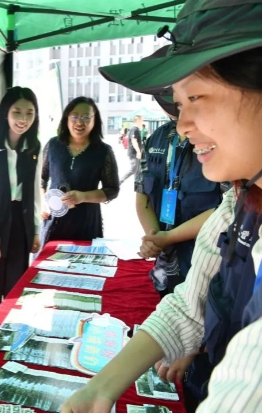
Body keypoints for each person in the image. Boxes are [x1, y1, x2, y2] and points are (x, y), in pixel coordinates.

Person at [63, 0, 262, 412]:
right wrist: (99, 390)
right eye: (178, 105)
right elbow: (191, 306)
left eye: (196, 97)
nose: (183, 126)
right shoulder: (242, 199)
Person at [136, 91, 224, 298]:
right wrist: (154, 238)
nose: (183, 124)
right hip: (164, 262)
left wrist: (169, 237)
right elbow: (142, 195)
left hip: (205, 261)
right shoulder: (156, 138)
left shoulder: (216, 137)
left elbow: (228, 208)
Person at [0, 86, 42, 312]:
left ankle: (9, 325)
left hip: (21, 221)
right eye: (17, 112)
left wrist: (36, 230)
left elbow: (34, 190)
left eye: (29, 113)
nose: (23, 119)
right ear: (5, 113)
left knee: (15, 287)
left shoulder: (33, 147)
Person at [39, 96, 120, 244]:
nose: (79, 122)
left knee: (83, 257)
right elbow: (41, 178)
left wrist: (83, 197)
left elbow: (112, 190)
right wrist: (43, 202)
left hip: (86, 222)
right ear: (66, 118)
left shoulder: (103, 151)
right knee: (49, 257)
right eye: (75, 116)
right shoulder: (53, 145)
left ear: (95, 120)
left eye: (86, 117)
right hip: (54, 219)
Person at [120, 115, 143, 185]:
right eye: (141, 120)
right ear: (138, 120)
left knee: (137, 170)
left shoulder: (137, 129)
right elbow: (134, 141)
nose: (142, 122)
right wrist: (138, 151)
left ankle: (137, 185)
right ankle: (120, 181)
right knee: (133, 169)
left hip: (135, 153)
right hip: (133, 153)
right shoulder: (134, 129)